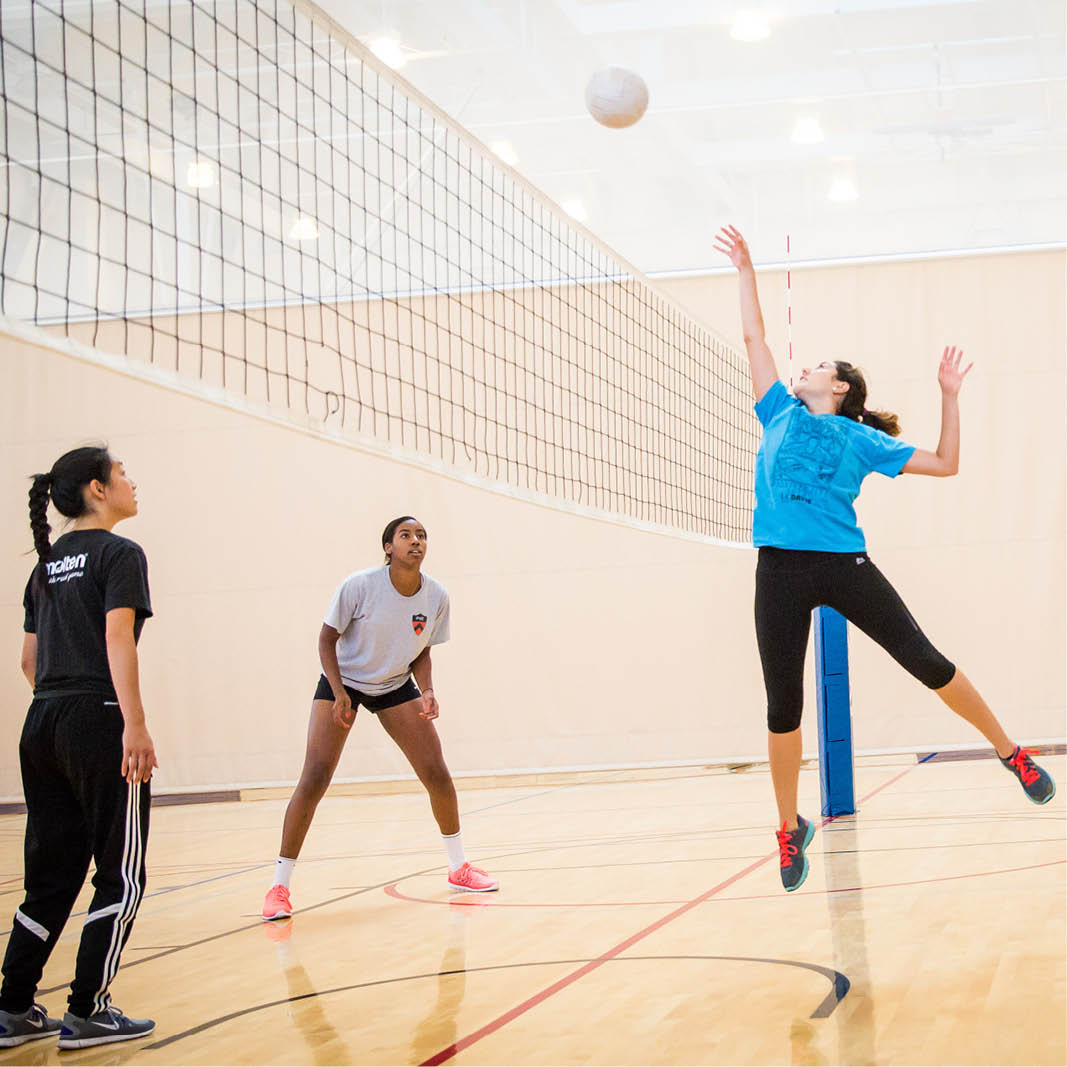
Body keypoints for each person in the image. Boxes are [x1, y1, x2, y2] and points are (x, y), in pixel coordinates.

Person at [714, 225, 1055, 892]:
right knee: (782, 706)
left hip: (843, 566)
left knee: (924, 659)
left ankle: (1009, 752)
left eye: (817, 366)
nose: (803, 369)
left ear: (839, 388)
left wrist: (949, 397)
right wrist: (745, 269)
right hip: (778, 569)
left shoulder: (858, 438)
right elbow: (754, 338)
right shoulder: (777, 409)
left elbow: (947, 464)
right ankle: (788, 828)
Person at [263, 516, 498, 921]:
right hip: (346, 681)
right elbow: (326, 639)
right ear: (388, 546)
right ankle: (279, 886)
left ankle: (458, 867)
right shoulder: (360, 586)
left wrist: (427, 690)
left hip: (394, 683)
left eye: (422, 536)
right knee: (315, 776)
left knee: (437, 773)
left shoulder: (436, 595)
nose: (416, 541)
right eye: (406, 535)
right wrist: (338, 693)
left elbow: (423, 650)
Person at [0, 447, 157, 1049]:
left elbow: (27, 662)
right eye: (123, 474)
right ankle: (88, 1009)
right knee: (121, 873)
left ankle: (13, 1008)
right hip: (98, 718)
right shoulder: (121, 554)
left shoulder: (44, 566)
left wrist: (60, 708)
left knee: (50, 876)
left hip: (41, 720)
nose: (131, 481)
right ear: (97, 488)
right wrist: (133, 724)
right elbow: (120, 639)